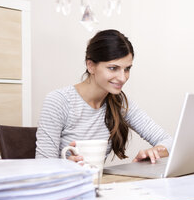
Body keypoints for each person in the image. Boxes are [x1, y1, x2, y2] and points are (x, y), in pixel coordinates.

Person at [35, 29, 172, 164]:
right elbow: (43, 166)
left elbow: (169, 142)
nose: (122, 78)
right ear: (91, 66)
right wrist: (66, 166)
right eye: (113, 68)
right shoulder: (59, 102)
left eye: (127, 69)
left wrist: (155, 152)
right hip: (66, 185)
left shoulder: (119, 102)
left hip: (99, 184)